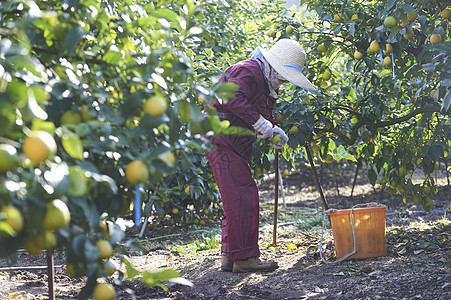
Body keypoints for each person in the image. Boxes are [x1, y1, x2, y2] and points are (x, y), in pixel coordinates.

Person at [205, 39, 315, 273]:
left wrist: (274, 129)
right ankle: (244, 258)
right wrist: (259, 122)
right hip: (222, 137)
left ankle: (231, 255)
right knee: (243, 195)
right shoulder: (249, 70)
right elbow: (231, 98)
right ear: (275, 66)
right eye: (285, 74)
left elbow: (261, 111)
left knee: (235, 195)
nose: (285, 80)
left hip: (229, 140)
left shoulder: (263, 80)